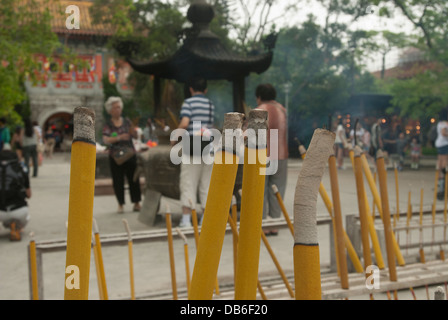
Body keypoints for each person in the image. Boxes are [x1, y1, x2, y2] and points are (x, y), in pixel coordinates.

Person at [172, 77, 215, 228]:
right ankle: (206, 219)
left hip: (192, 146)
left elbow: (184, 123)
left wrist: (175, 137)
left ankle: (186, 220)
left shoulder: (188, 103)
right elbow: (210, 125)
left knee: (188, 183)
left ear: (191, 89)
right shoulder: (210, 104)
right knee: (206, 184)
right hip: (208, 147)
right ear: (205, 90)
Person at [255, 84, 288, 236]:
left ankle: (261, 224)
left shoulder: (260, 110)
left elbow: (249, 133)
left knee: (260, 190)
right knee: (277, 190)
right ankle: (274, 224)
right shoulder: (283, 110)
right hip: (281, 154)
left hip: (263, 154)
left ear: (259, 97)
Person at [102, 96, 142, 213]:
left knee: (134, 178)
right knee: (118, 180)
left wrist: (134, 132)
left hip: (130, 154)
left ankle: (136, 202)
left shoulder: (127, 121)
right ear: (110, 110)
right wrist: (119, 137)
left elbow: (135, 135)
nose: (118, 110)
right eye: (115, 108)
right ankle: (120, 204)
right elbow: (105, 139)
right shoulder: (108, 124)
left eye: (119, 107)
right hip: (116, 156)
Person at [0, 144, 32, 241]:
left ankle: (10, 224)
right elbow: (29, 195)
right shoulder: (21, 168)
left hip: (0, 211)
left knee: (5, 220)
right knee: (26, 217)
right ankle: (16, 227)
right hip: (19, 210)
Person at [435, 112, 448, 199]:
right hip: (444, 143)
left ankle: (439, 173)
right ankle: (444, 172)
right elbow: (444, 133)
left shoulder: (440, 123)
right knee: (445, 159)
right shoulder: (444, 124)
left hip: (439, 143)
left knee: (440, 159)